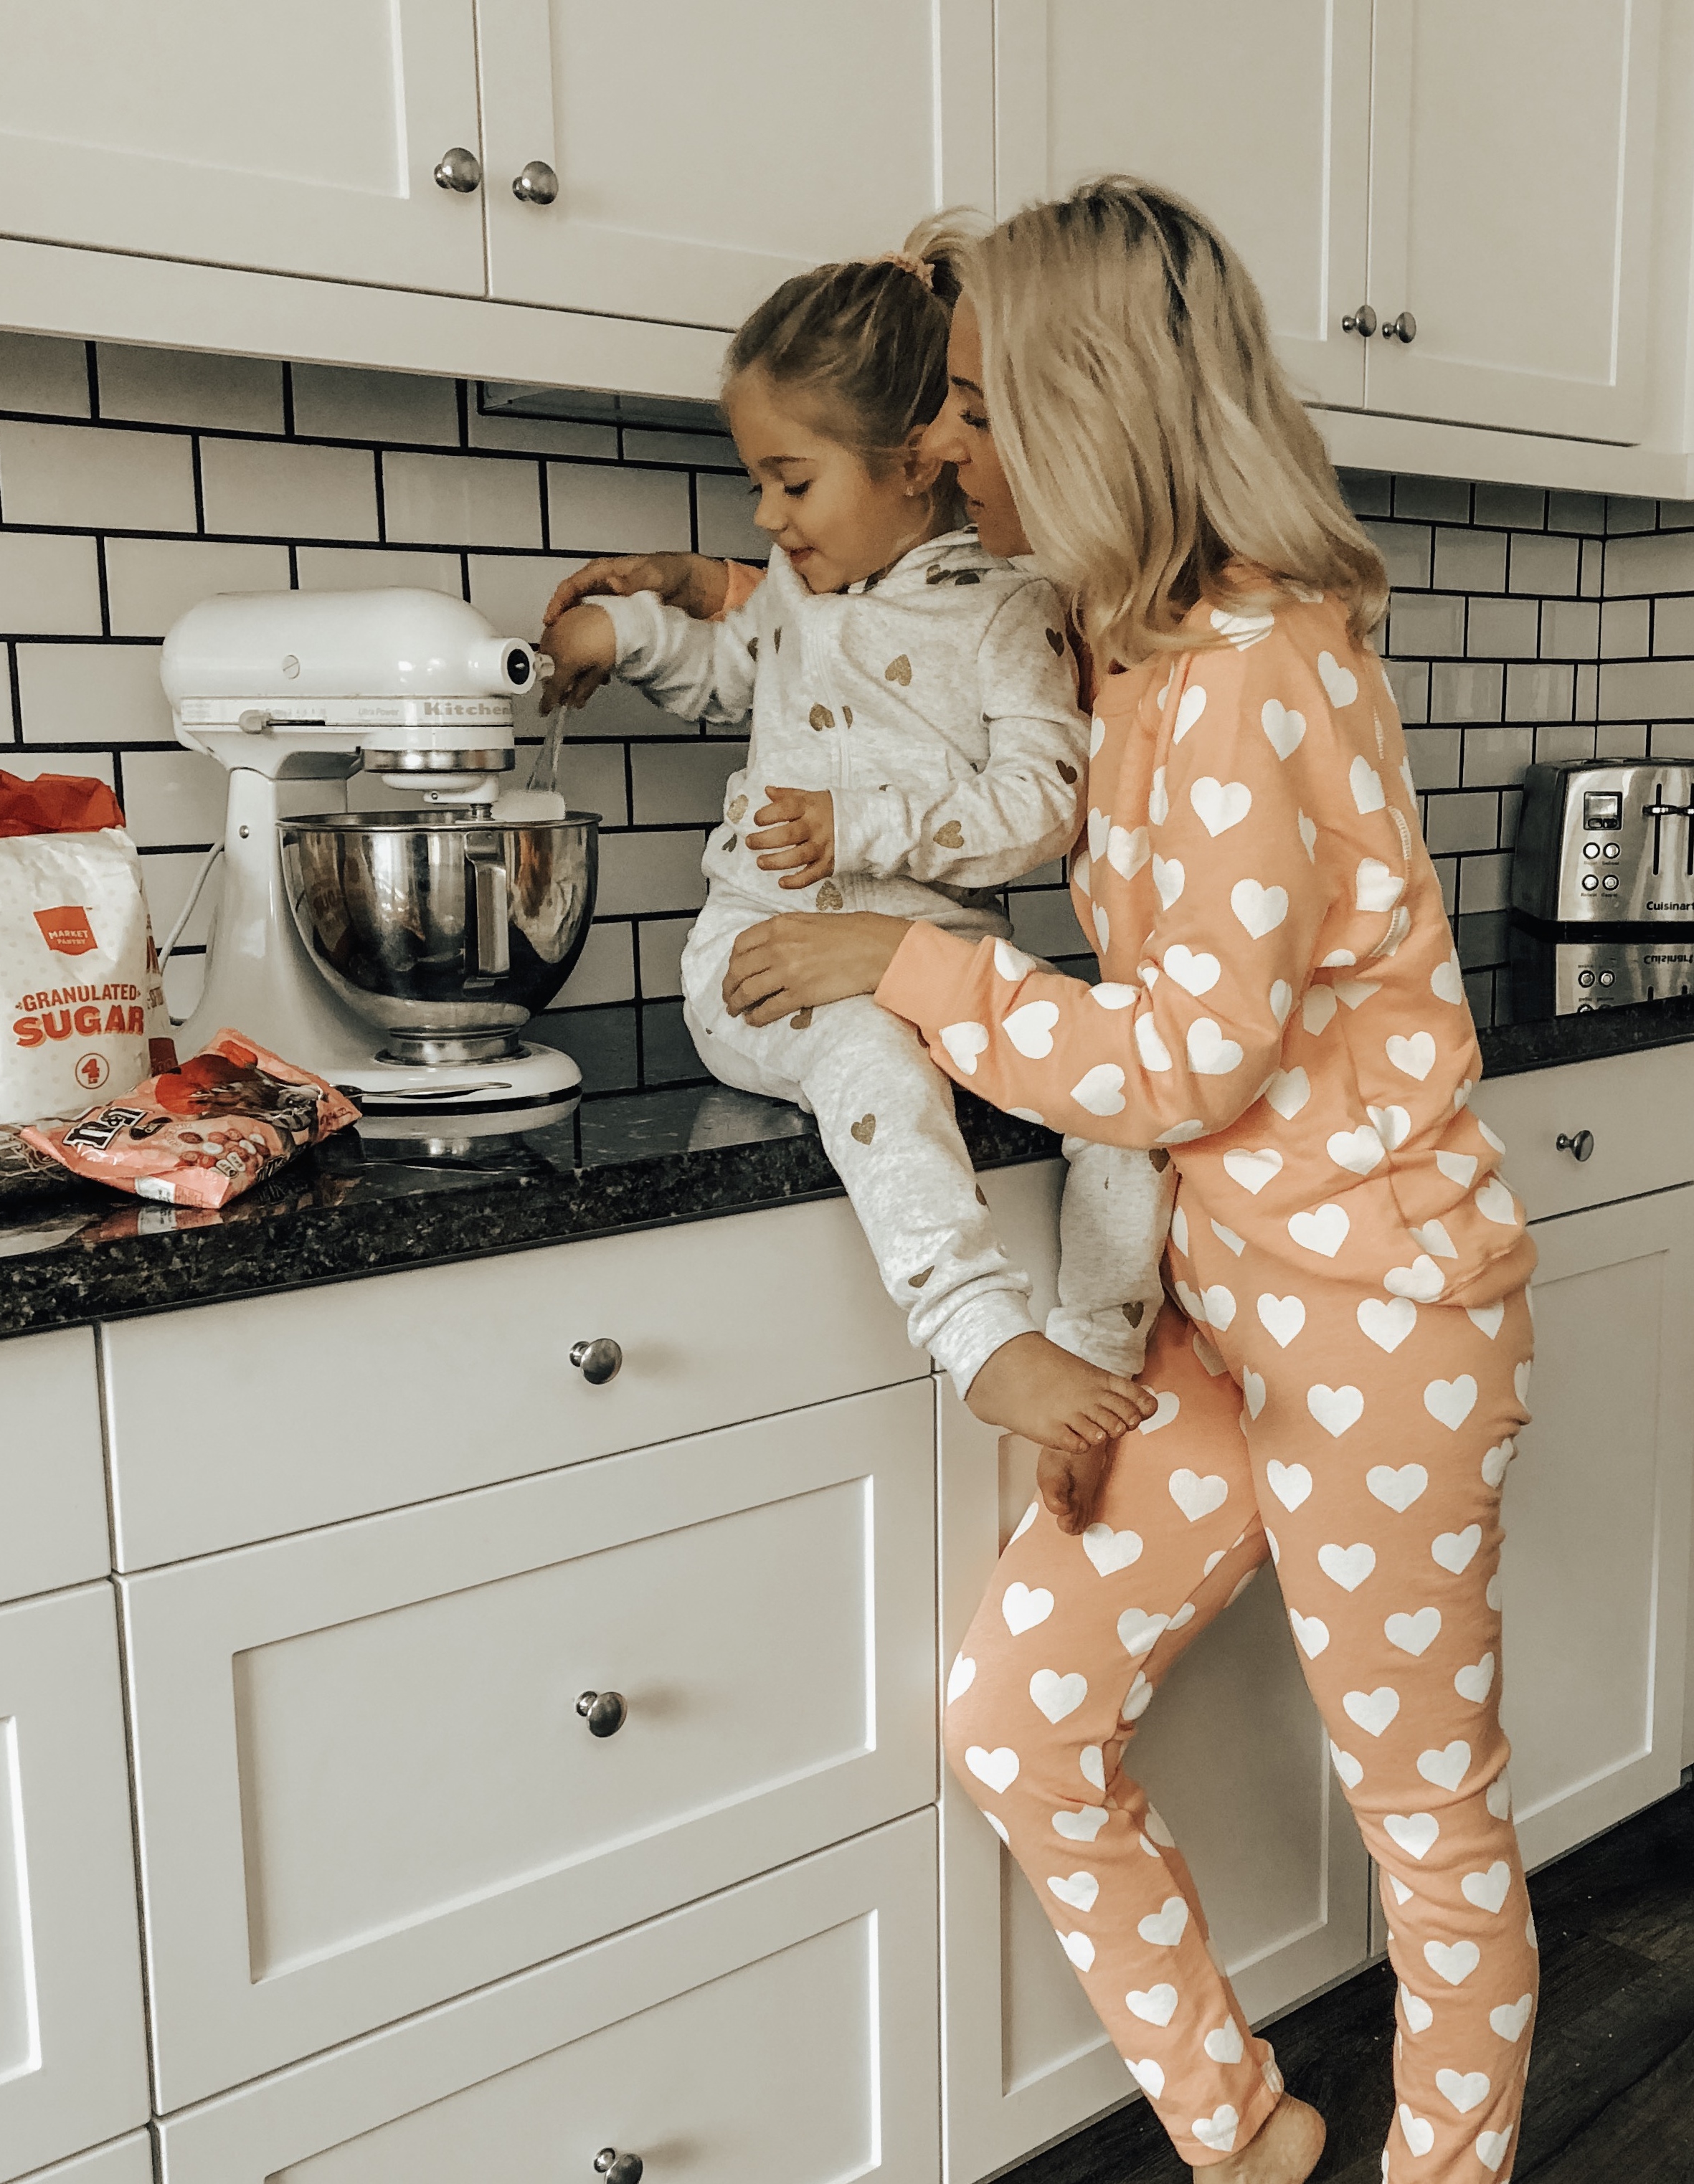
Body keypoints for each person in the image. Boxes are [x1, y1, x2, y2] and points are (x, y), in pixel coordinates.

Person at [555, 179, 1540, 2184]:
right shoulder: (1137, 637)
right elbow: (897, 639)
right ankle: (1243, 2132)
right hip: (1216, 1304)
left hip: (1377, 1324)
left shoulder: (1257, 665)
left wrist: (895, 962)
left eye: (977, 412)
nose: (939, 450)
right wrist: (729, 585)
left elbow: (1188, 1053)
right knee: (1015, 1723)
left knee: (1424, 1817)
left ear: (1091, 412)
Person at [541, 222, 1173, 1449]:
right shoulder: (794, 596)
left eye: (794, 480)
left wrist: (862, 824)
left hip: (952, 979)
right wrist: (616, 635)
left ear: (915, 465)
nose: (769, 515)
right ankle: (977, 1329)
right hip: (766, 967)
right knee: (867, 1055)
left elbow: (1047, 801)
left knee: (1117, 1081)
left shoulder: (1012, 608)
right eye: (760, 485)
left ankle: (1100, 1343)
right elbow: (725, 663)